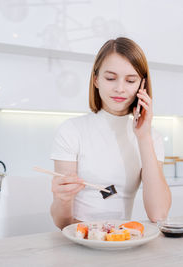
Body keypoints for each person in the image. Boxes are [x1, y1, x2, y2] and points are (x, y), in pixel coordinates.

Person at [50, 37, 172, 230]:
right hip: (79, 241)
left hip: (121, 241)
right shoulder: (72, 130)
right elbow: (62, 223)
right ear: (96, 79)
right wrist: (62, 199)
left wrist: (143, 137)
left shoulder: (151, 137)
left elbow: (158, 214)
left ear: (142, 85)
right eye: (110, 78)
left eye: (130, 80)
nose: (120, 88)